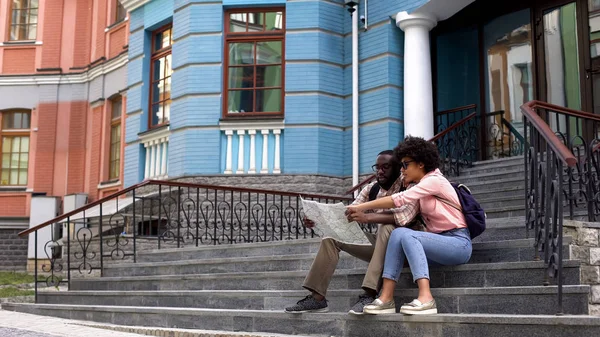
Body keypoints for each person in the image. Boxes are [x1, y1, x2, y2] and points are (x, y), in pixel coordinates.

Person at [284, 150, 421, 315]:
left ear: (399, 168)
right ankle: (317, 298)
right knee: (332, 237)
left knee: (388, 227)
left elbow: (403, 217)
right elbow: (348, 215)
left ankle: (370, 294)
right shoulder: (372, 189)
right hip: (382, 248)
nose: (380, 171)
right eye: (377, 167)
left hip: (409, 251)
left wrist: (367, 217)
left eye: (386, 167)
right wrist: (317, 221)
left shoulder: (410, 186)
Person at [346, 136, 472, 315]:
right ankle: (386, 298)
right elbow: (403, 214)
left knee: (406, 234)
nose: (402, 170)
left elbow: (399, 199)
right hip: (436, 244)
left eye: (405, 165)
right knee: (398, 234)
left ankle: (426, 298)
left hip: (458, 243)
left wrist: (361, 208)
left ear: (420, 164)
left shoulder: (434, 180)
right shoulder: (419, 184)